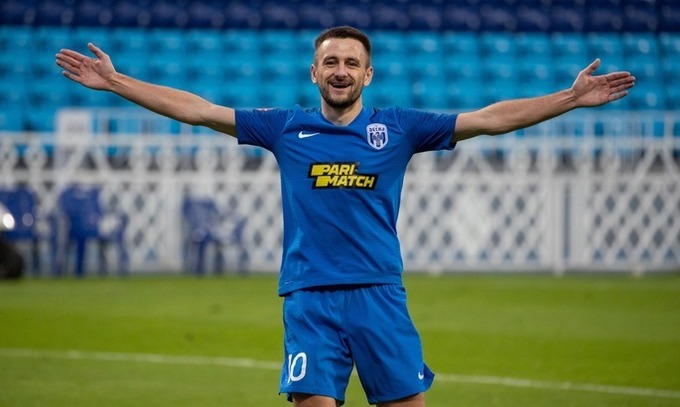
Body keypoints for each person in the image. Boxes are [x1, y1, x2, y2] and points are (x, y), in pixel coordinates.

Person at [55, 26, 635, 407]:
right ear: (314, 72)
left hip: (379, 294)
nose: (340, 70)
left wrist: (569, 97)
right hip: (309, 298)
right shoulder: (285, 127)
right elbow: (200, 111)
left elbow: (488, 119)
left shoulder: (399, 128)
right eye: (330, 61)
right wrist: (116, 82)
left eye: (351, 63)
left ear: (367, 75)